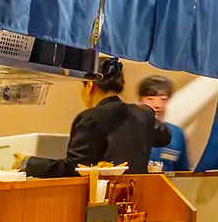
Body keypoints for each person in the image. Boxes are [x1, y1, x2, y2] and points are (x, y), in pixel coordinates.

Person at [25, 57, 170, 177]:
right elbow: (165, 137)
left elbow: (75, 168)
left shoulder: (90, 118)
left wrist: (28, 163)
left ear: (89, 85)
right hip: (138, 195)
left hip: (102, 196)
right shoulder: (144, 114)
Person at [139, 74, 190, 172]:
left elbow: (183, 170)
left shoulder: (176, 134)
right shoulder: (128, 130)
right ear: (140, 100)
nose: (157, 105)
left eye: (163, 99)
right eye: (150, 99)